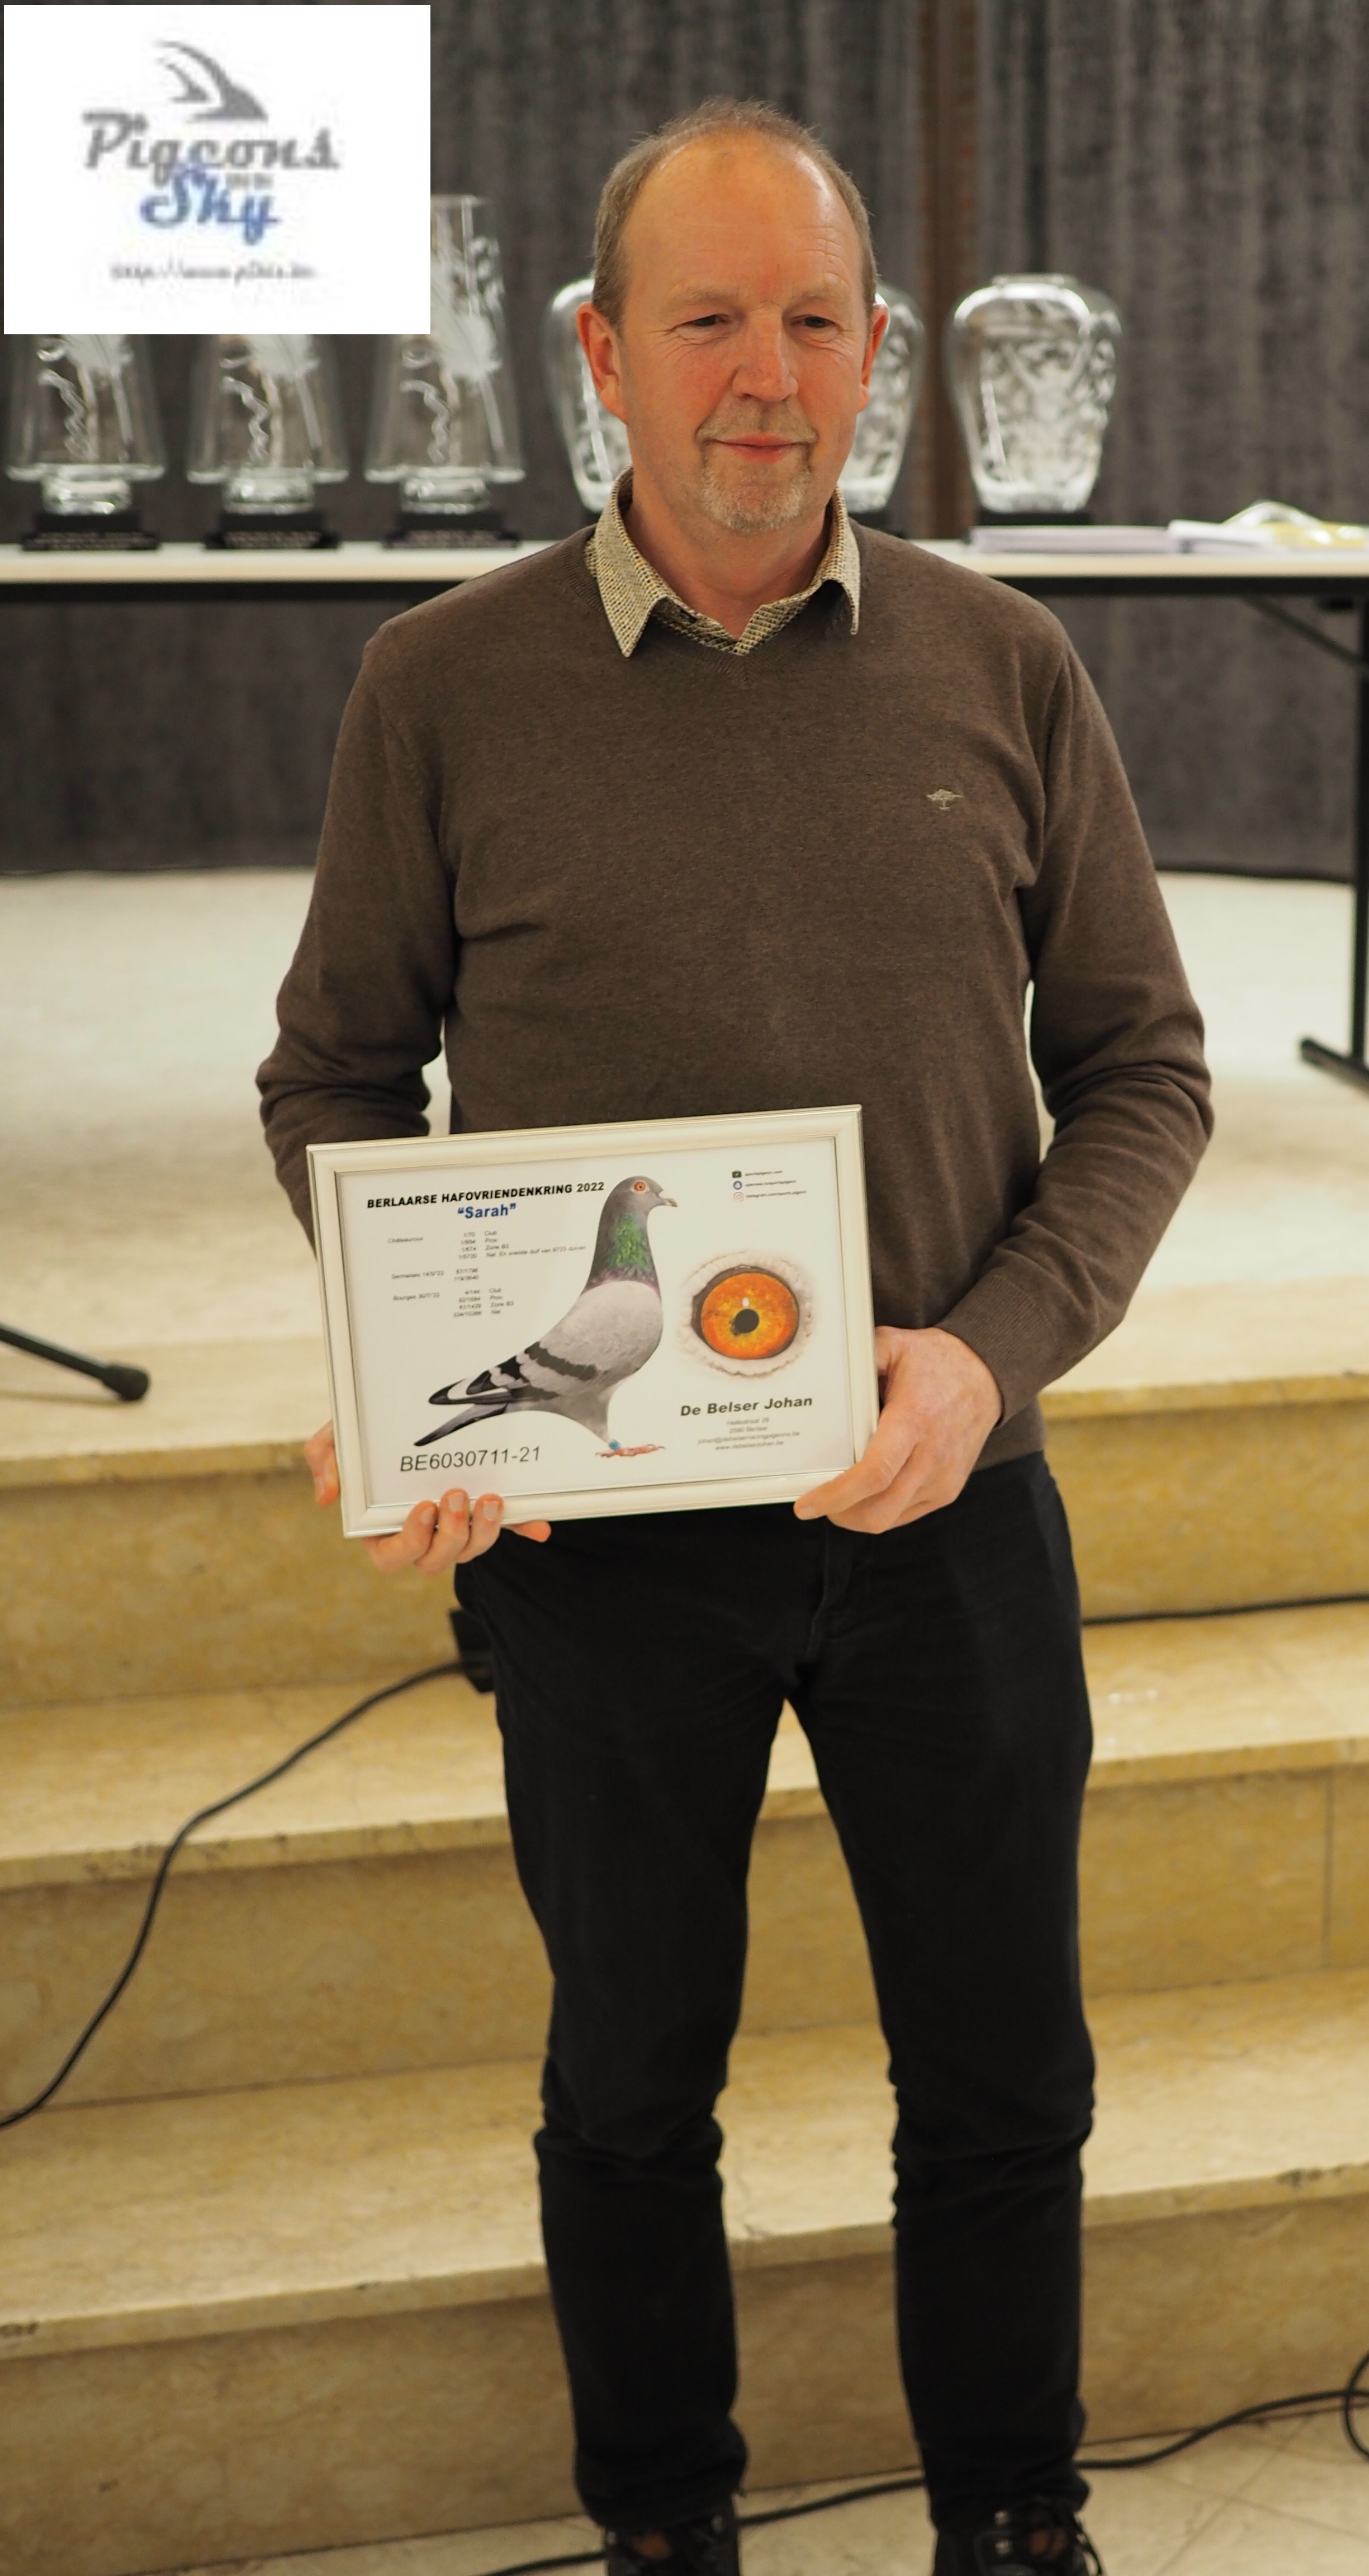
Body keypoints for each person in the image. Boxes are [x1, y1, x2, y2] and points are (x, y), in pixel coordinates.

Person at [258, 97, 1210, 2576]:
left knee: (1001, 2072)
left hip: (945, 1497)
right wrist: (400, 1373)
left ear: (877, 350)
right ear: (599, 354)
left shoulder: (1005, 663)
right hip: (595, 1540)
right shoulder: (440, 686)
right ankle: (663, 2526)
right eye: (706, 320)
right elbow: (334, 1080)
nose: (762, 375)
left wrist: (988, 1357)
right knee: (627, 2082)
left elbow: (1141, 1068)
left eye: (810, 320)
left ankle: (1011, 2518)